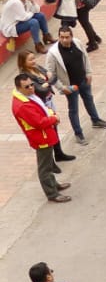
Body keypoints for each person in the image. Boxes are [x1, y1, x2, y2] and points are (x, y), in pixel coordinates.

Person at [11, 73, 71, 204]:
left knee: (49, 163)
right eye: (27, 86)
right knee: (45, 167)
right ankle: (52, 193)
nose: (31, 88)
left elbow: (43, 109)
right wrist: (54, 118)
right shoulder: (22, 105)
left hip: (44, 134)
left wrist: (51, 115)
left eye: (32, 84)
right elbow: (38, 122)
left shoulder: (28, 97)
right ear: (19, 88)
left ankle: (54, 184)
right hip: (40, 137)